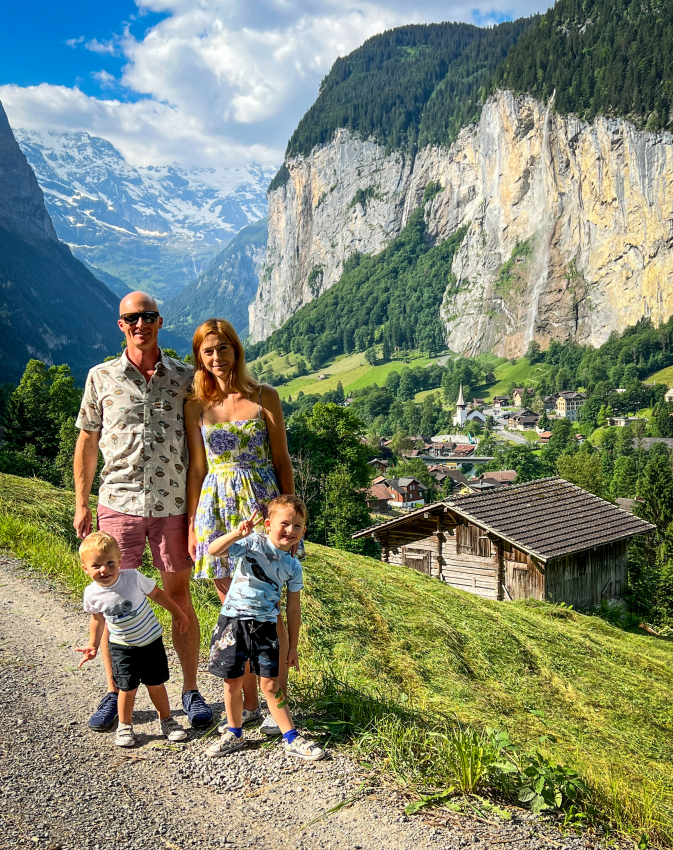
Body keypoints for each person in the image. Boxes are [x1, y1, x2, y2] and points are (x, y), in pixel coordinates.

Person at [74, 291, 212, 733]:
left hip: (173, 505)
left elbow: (204, 443)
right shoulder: (101, 377)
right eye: (132, 318)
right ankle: (117, 693)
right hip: (118, 503)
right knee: (117, 600)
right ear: (121, 325)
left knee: (179, 596)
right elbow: (87, 442)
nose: (140, 324)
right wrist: (80, 502)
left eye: (148, 316)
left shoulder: (185, 377)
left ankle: (190, 691)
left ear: (159, 321)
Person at [185, 319, 294, 736]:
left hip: (261, 506)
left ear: (237, 350)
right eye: (208, 351)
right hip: (217, 510)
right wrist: (195, 522)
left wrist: (290, 515)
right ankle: (248, 703)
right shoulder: (195, 404)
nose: (216, 358)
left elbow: (282, 459)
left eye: (223, 349)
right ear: (199, 356)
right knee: (234, 609)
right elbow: (197, 468)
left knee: (270, 608)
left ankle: (275, 699)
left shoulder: (265, 396)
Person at [205, 495, 324, 761]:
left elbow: (293, 609)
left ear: (304, 531)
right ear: (268, 524)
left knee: (271, 686)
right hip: (234, 624)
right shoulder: (252, 544)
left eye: (297, 526)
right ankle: (234, 733)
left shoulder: (294, 566)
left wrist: (292, 646)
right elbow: (214, 551)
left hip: (267, 627)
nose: (290, 531)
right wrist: (236, 534)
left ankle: (291, 738)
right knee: (232, 681)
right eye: (285, 524)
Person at [76, 532, 189, 748]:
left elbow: (157, 594)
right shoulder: (91, 594)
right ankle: (125, 726)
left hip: (150, 641)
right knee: (126, 689)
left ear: (120, 561)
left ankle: (167, 720)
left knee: (156, 684)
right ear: (85, 569)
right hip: (122, 646)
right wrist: (92, 644)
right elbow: (97, 620)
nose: (104, 570)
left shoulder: (133, 578)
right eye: (96, 565)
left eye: (110, 563)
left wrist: (177, 613)